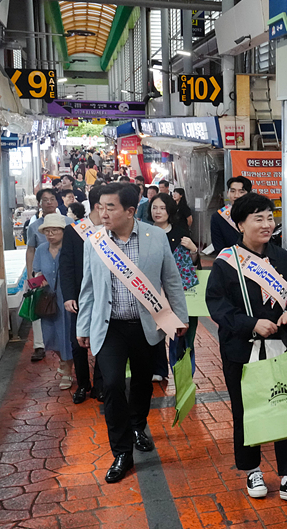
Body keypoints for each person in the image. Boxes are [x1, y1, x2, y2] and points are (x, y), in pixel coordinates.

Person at [76, 184, 189, 484]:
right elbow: (88, 288)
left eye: (110, 207)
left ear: (130, 210)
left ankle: (138, 425)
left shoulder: (156, 238)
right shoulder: (94, 242)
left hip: (146, 326)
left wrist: (180, 317)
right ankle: (122, 452)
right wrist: (83, 327)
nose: (103, 213)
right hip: (109, 326)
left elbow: (172, 280)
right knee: (111, 385)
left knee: (143, 381)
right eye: (100, 207)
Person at [206, 193, 287, 504]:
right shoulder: (226, 262)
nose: (267, 224)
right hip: (241, 348)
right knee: (246, 410)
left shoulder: (282, 258)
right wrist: (251, 324)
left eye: (269, 217)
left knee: (286, 408)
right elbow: (217, 306)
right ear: (240, 224)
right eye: (258, 218)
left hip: (279, 346)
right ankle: (252, 469)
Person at [150, 193, 200, 378]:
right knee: (154, 334)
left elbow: (192, 265)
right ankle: (158, 369)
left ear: (170, 210)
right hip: (153, 293)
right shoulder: (145, 231)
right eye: (154, 207)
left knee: (181, 336)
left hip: (180, 293)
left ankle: (184, 373)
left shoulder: (180, 231)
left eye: (162, 208)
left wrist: (194, 249)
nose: (158, 212)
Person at [60, 189, 103, 404]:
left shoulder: (110, 231)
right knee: (78, 344)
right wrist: (68, 296)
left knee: (103, 341)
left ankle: (100, 385)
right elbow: (65, 266)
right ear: (98, 206)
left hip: (104, 297)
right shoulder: (74, 231)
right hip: (79, 297)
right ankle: (83, 383)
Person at [25, 189, 74, 363]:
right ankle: (60, 360)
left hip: (67, 292)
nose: (50, 234)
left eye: (52, 199)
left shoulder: (70, 225)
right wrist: (33, 278)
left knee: (70, 330)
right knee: (51, 328)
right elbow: (31, 253)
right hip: (48, 291)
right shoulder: (35, 232)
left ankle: (69, 364)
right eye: (45, 200)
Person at [32, 214, 75, 389]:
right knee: (50, 335)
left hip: (67, 298)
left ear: (63, 231)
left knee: (67, 335)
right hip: (48, 299)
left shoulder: (70, 248)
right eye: (47, 231)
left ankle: (67, 370)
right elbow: (37, 271)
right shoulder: (41, 249)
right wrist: (38, 280)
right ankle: (63, 361)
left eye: (55, 230)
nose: (51, 234)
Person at [210, 176, 251, 254]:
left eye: (241, 192)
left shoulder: (257, 214)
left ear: (249, 194)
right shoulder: (218, 217)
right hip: (229, 261)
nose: (236, 195)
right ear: (227, 193)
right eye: (232, 191)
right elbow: (219, 247)